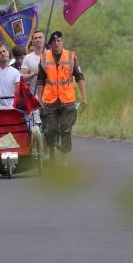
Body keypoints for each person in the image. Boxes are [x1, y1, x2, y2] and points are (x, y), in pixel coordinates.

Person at [36, 31, 88, 167]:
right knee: (50, 129)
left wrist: (84, 97)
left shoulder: (71, 56)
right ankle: (52, 155)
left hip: (67, 99)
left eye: (59, 40)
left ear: (62, 41)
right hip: (50, 100)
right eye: (54, 41)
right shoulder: (44, 58)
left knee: (66, 129)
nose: (56, 43)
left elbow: (80, 77)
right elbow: (40, 80)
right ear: (50, 44)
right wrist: (39, 99)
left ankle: (64, 159)